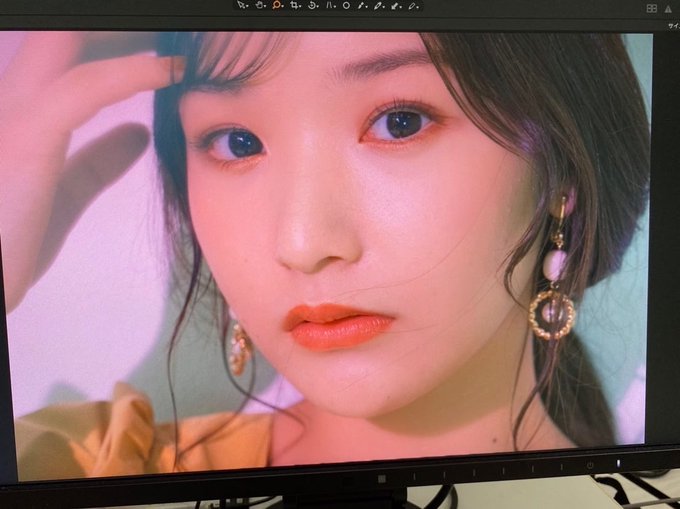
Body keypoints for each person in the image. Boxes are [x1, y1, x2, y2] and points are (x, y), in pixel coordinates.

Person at [1, 31, 649, 479]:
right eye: (237, 141)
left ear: (563, 170)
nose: (303, 245)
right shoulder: (86, 465)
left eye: (399, 121)